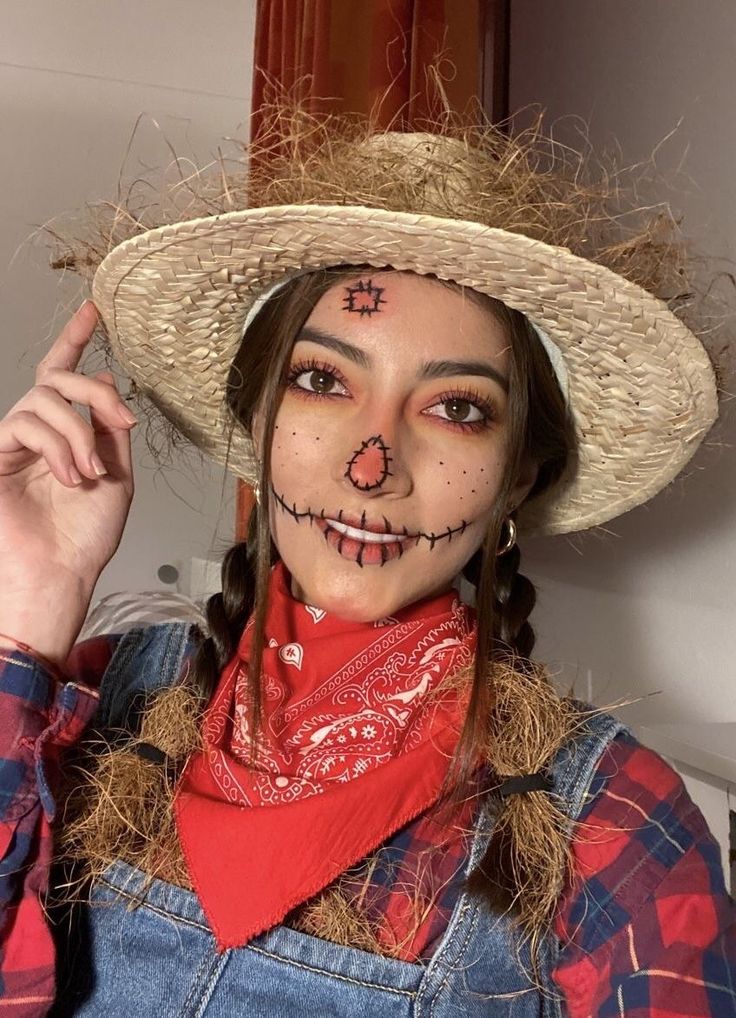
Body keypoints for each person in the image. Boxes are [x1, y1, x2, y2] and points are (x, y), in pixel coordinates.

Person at [0, 112, 733, 1016]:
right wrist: (30, 601)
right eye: (322, 381)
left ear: (517, 479)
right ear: (257, 425)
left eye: (457, 408)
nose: (370, 464)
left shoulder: (618, 830)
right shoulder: (85, 708)